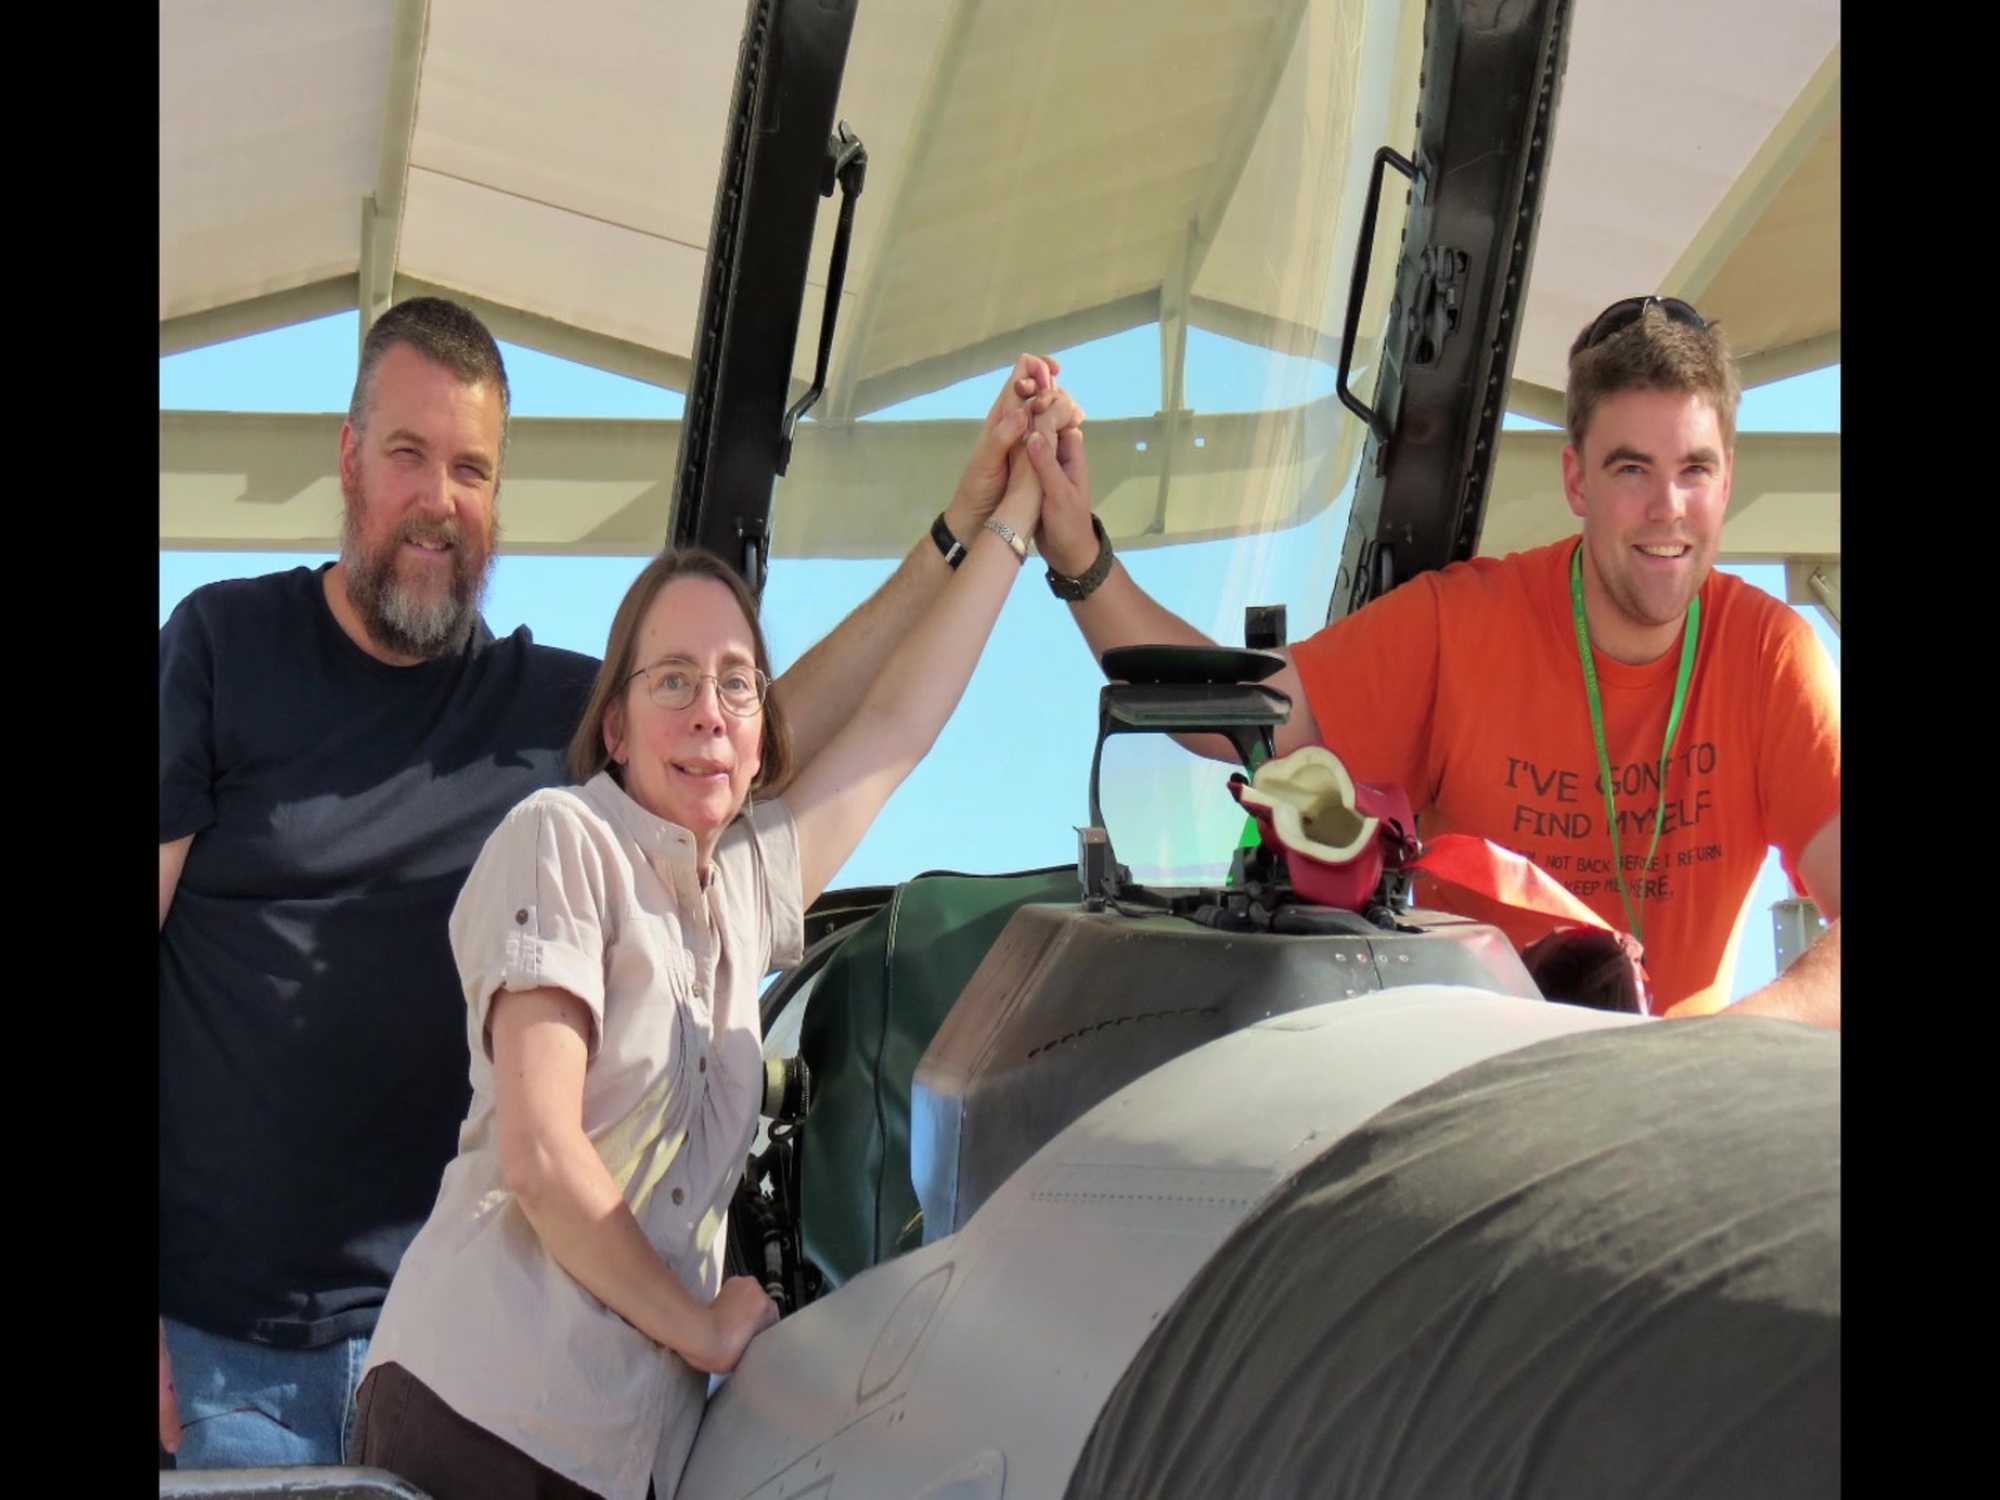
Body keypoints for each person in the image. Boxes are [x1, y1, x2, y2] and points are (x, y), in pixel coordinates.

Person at [159, 291, 1076, 1468]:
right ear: (346, 461)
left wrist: (971, 527)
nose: (441, 501)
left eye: (473, 470)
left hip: (497, 1355)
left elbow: (802, 720)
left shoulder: (557, 721)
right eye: (409, 456)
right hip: (236, 1354)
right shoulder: (226, 650)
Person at [1022, 295, 1840, 1027]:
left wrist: (1721, 1050)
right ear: (1576, 481)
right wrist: (1081, 555)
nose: (1669, 508)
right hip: (1469, 1107)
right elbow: (1234, 717)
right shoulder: (1463, 627)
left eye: (1694, 469)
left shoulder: (1770, 658)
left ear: (1727, 480)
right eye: (1632, 469)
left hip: (1669, 1126)